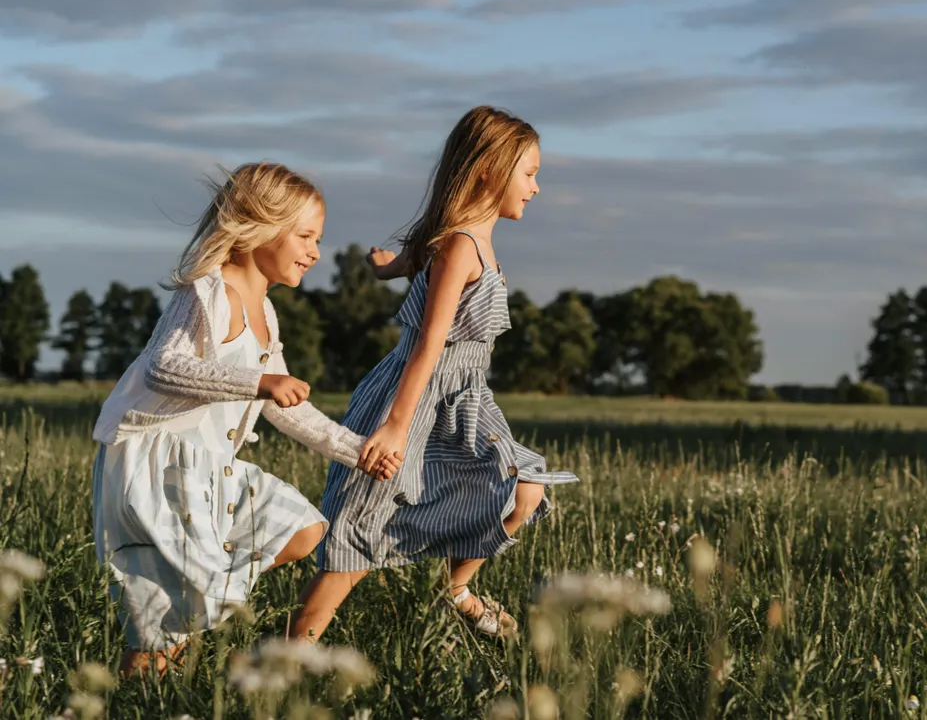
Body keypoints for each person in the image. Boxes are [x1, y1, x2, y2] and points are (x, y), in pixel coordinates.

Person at [91, 162, 401, 676]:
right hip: (158, 466)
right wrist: (258, 383)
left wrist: (360, 452)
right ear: (258, 227)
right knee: (162, 625)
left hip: (209, 470)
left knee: (302, 530)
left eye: (317, 239)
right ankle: (135, 695)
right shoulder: (207, 293)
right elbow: (165, 367)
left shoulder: (266, 315)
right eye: (304, 236)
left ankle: (197, 626)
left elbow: (291, 411)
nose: (315, 252)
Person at [291, 106, 579, 642]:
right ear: (490, 170)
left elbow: (409, 260)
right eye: (530, 173)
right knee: (357, 535)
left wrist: (385, 267)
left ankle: (456, 591)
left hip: (463, 399)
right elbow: (429, 340)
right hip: (412, 398)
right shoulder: (459, 246)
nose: (536, 188)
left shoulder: (460, 240)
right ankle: (289, 661)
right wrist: (397, 426)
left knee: (525, 492)